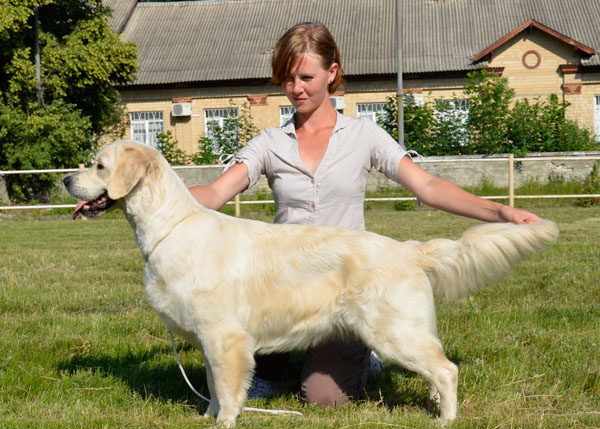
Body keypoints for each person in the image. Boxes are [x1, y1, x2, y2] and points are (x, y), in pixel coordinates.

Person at [189, 22, 541, 407]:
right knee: (238, 345)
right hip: (279, 288)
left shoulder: (363, 135)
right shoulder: (269, 143)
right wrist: (154, 196)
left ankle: (367, 346)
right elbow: (216, 192)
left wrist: (499, 212)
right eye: (288, 79)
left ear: (332, 74)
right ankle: (273, 366)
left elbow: (426, 187)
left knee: (324, 399)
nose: (296, 89)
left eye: (306, 76)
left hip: (346, 288)